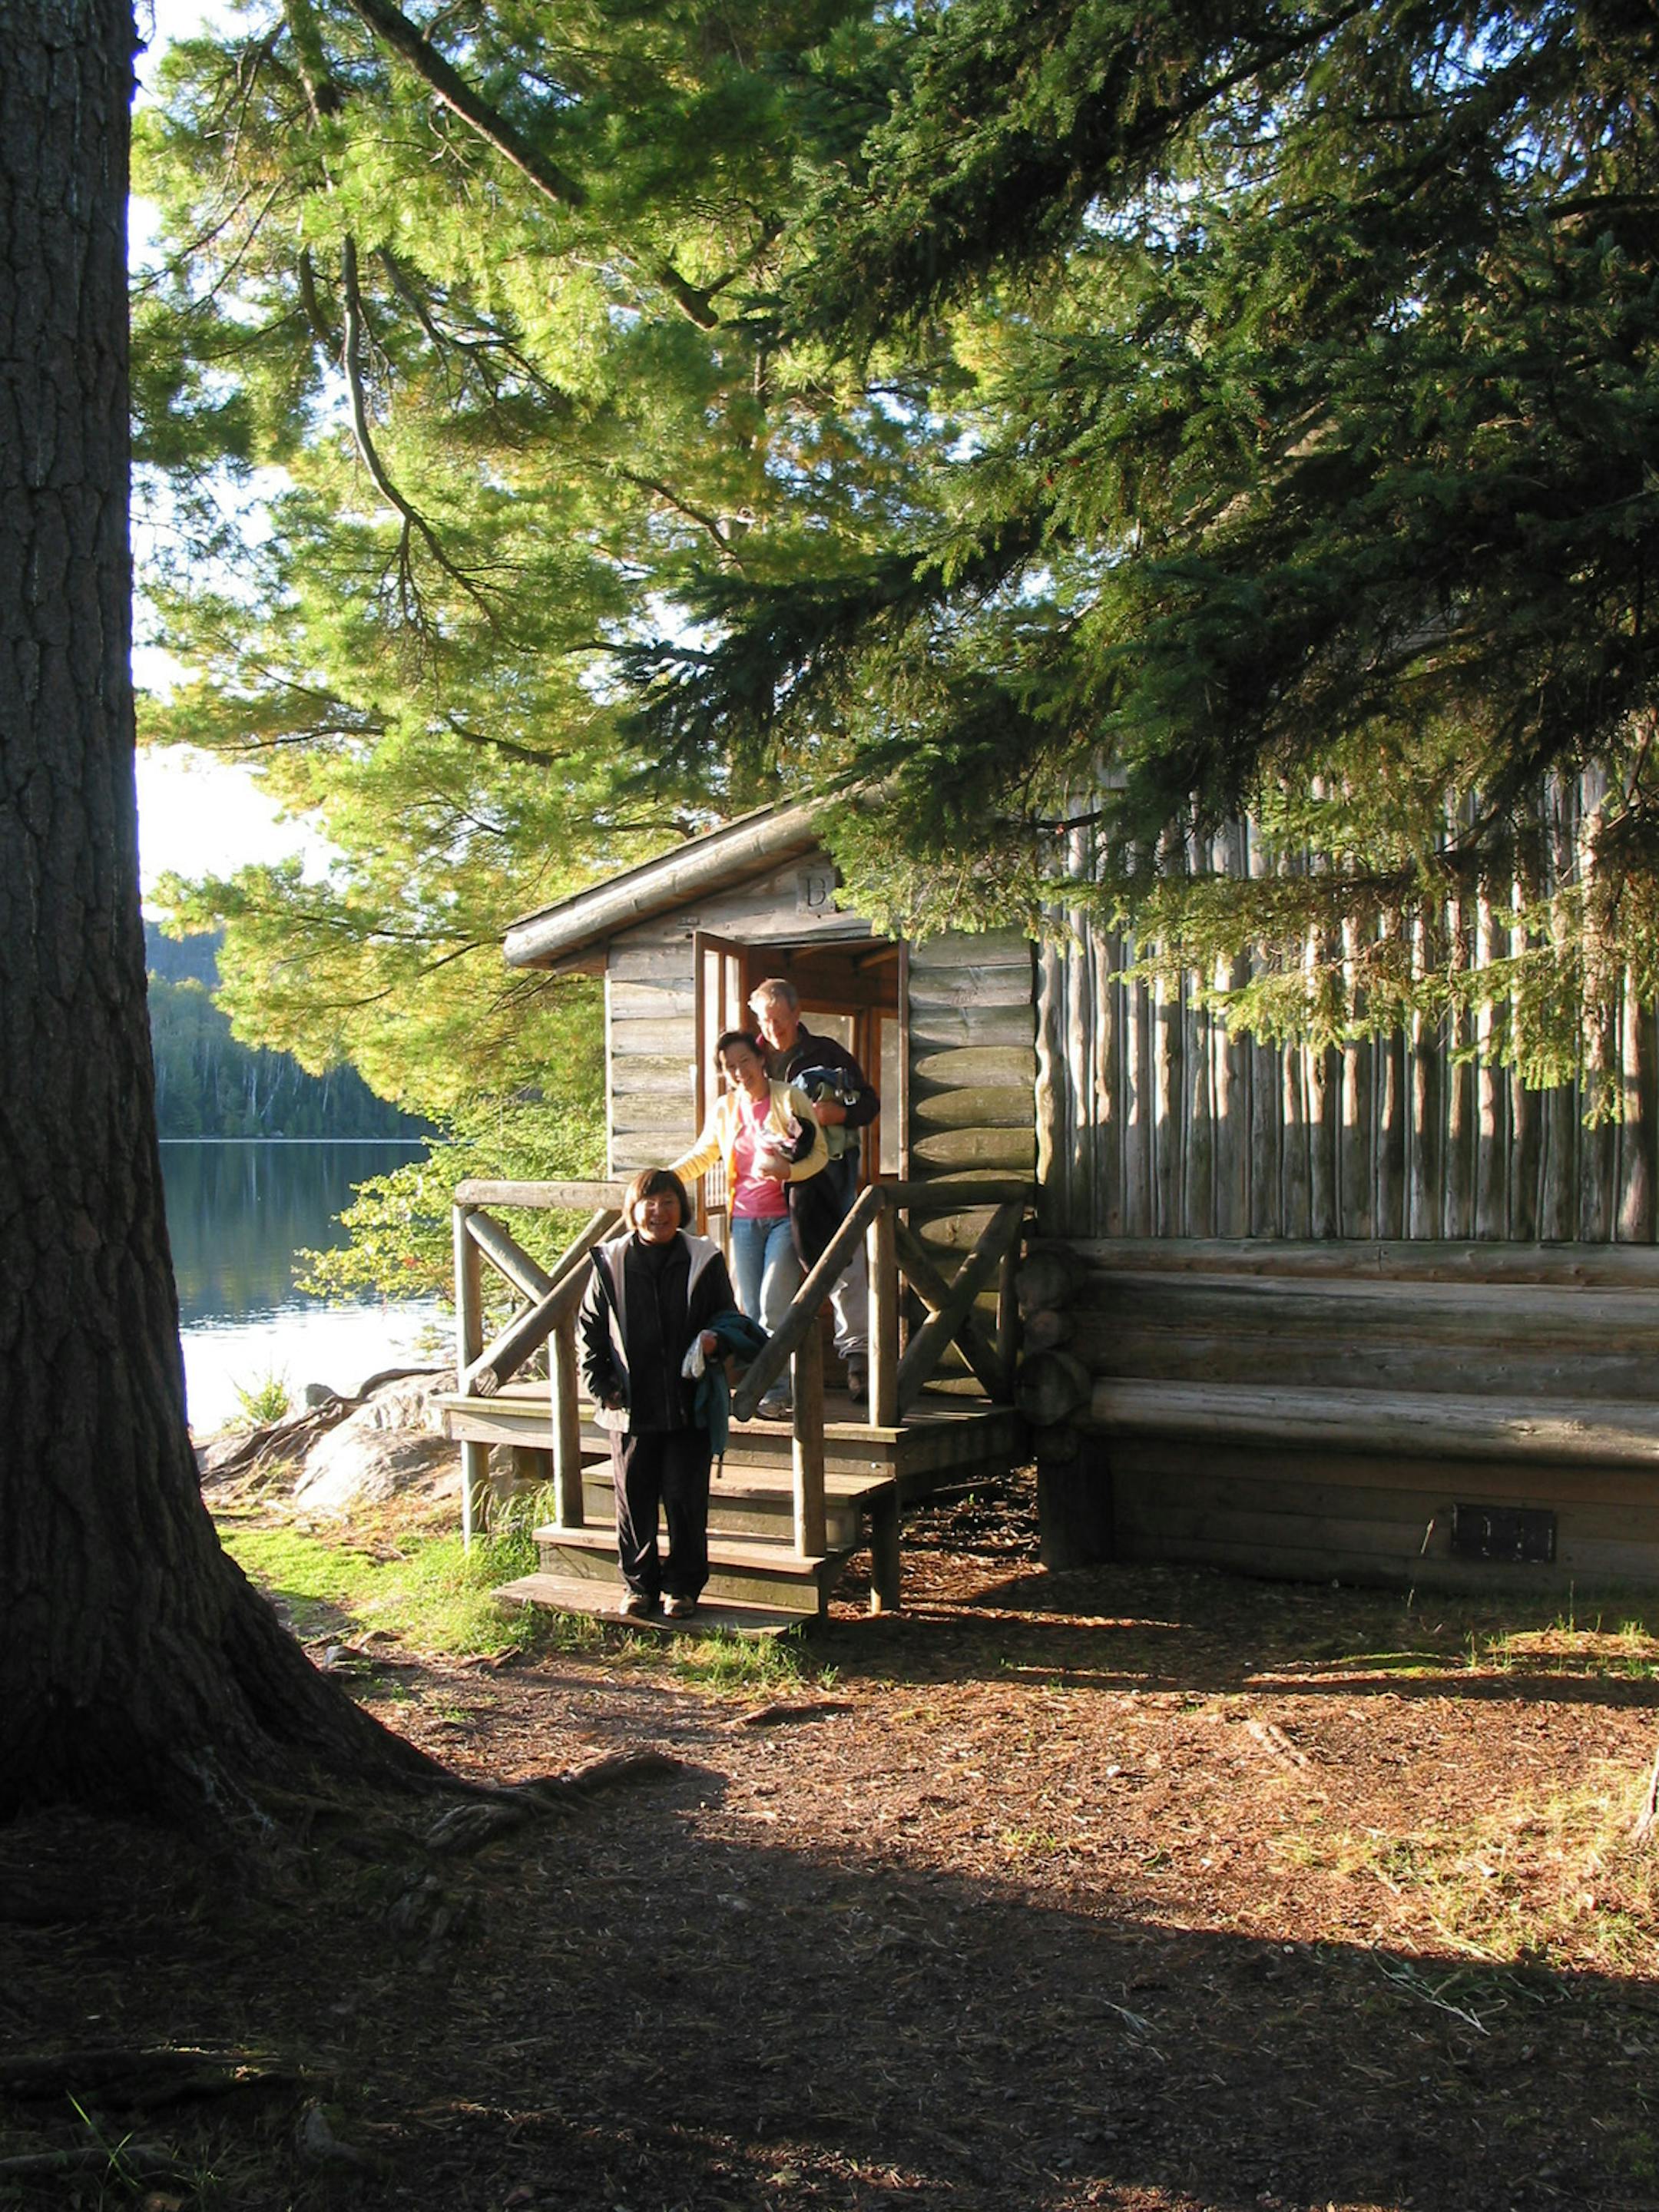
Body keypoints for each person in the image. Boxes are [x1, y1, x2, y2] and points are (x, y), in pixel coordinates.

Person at [578, 1167, 737, 1620]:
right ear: (632, 1211)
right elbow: (589, 1331)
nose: (658, 1212)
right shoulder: (610, 1262)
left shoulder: (704, 1259)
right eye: (649, 1203)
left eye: (668, 1203)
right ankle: (638, 1587)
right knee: (635, 1499)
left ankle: (683, 1588)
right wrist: (601, 1386)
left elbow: (729, 1318)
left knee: (686, 1500)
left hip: (689, 1404)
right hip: (630, 1406)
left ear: (681, 1210)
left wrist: (713, 1342)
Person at [670, 1030, 830, 1418]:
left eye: (745, 1061)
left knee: (774, 1307)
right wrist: (664, 1178)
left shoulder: (789, 1097)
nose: (739, 1071)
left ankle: (776, 1392)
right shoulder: (726, 1109)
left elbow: (821, 1154)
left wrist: (787, 1170)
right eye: (730, 1067)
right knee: (749, 1309)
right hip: (742, 1220)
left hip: (784, 1219)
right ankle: (763, 1387)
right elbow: (704, 1153)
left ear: (761, 1060)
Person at [749, 977, 879, 1402]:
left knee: (844, 1263)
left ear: (796, 1014)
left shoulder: (828, 1054)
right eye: (764, 1022)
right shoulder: (752, 1058)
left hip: (830, 1177)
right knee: (776, 1285)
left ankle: (858, 1361)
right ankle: (778, 1382)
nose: (771, 1031)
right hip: (771, 1188)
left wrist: (838, 1113)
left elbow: (870, 1104)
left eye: (778, 1021)